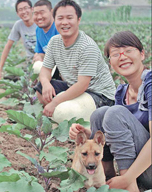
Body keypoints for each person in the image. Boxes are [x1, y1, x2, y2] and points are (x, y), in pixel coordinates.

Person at [70, 31, 152, 192]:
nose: (122, 57)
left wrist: (127, 178)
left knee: (114, 113)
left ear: (142, 54)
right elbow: (121, 131)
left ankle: (129, 187)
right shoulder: (122, 92)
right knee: (100, 114)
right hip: (141, 170)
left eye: (128, 51)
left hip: (145, 171)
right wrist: (86, 133)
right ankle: (106, 175)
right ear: (110, 62)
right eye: (116, 54)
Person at [34, 0, 116, 121]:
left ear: (78, 20)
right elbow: (45, 70)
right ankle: (62, 118)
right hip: (74, 86)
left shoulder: (87, 46)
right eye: (60, 18)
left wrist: (55, 102)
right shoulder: (54, 42)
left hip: (100, 95)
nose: (64, 22)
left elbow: (82, 85)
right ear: (54, 19)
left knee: (63, 111)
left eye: (69, 18)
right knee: (40, 90)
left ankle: (70, 120)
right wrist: (46, 84)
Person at [0, 0, 37, 79]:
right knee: (9, 76)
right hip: (29, 60)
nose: (24, 12)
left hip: (43, 59)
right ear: (17, 13)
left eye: (26, 8)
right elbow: (8, 46)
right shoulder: (18, 25)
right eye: (20, 10)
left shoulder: (39, 23)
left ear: (32, 9)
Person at [32, 0, 61, 80]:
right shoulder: (38, 30)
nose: (39, 17)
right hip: (50, 69)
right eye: (36, 14)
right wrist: (38, 57)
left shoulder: (59, 28)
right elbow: (41, 52)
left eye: (42, 13)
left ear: (51, 12)